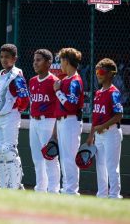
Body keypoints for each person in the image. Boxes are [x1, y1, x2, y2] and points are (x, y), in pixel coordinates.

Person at [0, 44, 29, 189]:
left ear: (15, 58)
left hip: (11, 116)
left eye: (7, 57)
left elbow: (24, 98)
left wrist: (16, 109)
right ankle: (4, 185)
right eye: (2, 57)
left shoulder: (16, 75)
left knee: (9, 151)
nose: (4, 60)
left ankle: (16, 185)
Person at [86, 58, 123, 199]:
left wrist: (103, 126)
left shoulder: (114, 92)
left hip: (111, 132)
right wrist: (91, 135)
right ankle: (102, 195)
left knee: (112, 166)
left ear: (110, 73)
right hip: (99, 135)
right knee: (100, 166)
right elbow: (96, 118)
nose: (98, 74)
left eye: (101, 71)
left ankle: (114, 195)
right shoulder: (98, 92)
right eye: (96, 71)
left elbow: (119, 115)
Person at [51, 47, 84, 195]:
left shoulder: (75, 81)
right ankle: (66, 188)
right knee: (64, 157)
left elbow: (71, 105)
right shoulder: (66, 79)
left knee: (69, 157)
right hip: (63, 121)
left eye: (62, 60)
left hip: (71, 121)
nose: (60, 63)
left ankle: (71, 190)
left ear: (67, 61)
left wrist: (58, 91)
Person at [29, 49, 61, 193]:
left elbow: (59, 107)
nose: (35, 63)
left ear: (49, 63)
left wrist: (56, 130)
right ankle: (40, 189)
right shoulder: (32, 81)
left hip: (49, 121)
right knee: (37, 158)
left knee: (50, 157)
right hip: (34, 121)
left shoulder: (54, 82)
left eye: (39, 60)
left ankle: (53, 190)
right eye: (35, 60)